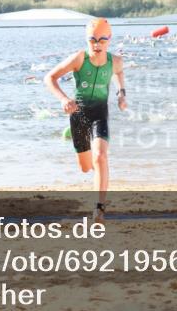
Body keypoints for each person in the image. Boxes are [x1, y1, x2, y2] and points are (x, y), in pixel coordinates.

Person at [44, 18, 126, 224]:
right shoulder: (79, 59)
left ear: (110, 39)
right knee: (85, 166)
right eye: (92, 40)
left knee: (101, 156)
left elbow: (119, 72)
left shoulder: (115, 61)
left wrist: (121, 93)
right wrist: (63, 99)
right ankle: (97, 175)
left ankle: (99, 208)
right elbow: (49, 78)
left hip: (100, 113)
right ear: (86, 40)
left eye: (102, 40)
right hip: (79, 115)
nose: (97, 45)